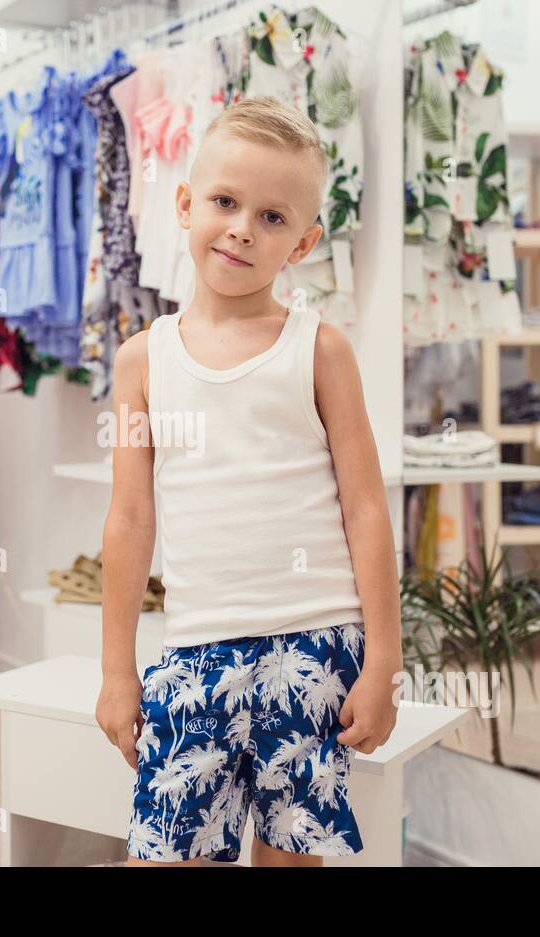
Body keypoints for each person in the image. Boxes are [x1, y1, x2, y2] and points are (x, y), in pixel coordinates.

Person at [96, 96, 402, 867]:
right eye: (226, 202)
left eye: (271, 217)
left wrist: (383, 663)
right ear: (185, 203)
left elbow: (367, 510)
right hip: (195, 653)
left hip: (316, 647)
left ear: (302, 242)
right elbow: (130, 520)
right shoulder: (141, 362)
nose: (240, 227)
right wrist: (115, 670)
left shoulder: (321, 351)